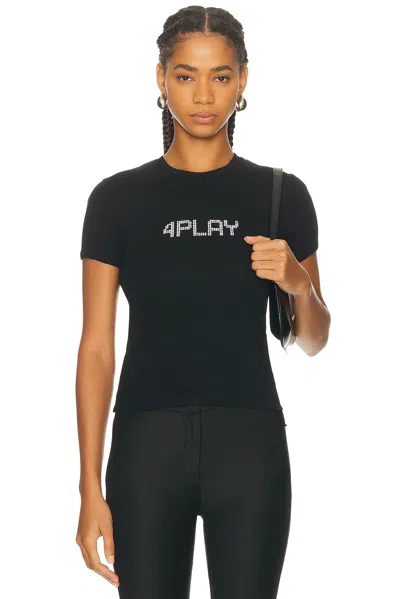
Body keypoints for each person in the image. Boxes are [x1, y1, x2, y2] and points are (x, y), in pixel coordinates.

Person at [75, 6, 331, 599]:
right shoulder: (116, 200)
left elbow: (314, 340)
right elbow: (96, 348)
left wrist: (299, 283)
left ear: (243, 81)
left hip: (249, 445)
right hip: (145, 446)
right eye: (186, 75)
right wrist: (89, 486)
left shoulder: (281, 195)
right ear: (161, 79)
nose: (204, 95)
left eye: (220, 76)